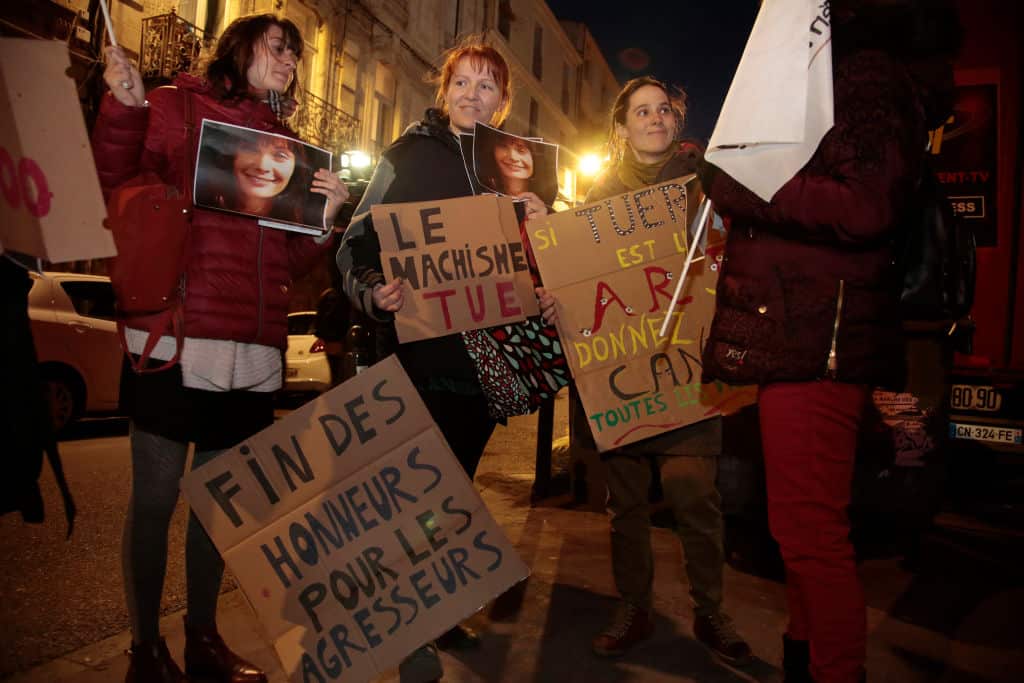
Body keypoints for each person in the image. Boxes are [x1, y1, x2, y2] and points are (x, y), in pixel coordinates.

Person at [697, 2, 961, 681]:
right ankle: (804, 654)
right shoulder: (830, 74)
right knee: (799, 528)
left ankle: (832, 668)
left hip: (820, 339)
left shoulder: (867, 78)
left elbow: (864, 205)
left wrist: (744, 185)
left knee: (811, 533)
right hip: (799, 335)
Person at [93, 13, 349, 683]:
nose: (290, 60)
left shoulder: (291, 146)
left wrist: (325, 214)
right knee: (154, 499)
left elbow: (292, 263)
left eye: (296, 54)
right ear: (239, 48)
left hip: (252, 352)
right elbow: (115, 172)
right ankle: (146, 650)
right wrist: (122, 108)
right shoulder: (177, 107)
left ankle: (203, 638)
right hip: (175, 339)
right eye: (278, 47)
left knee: (217, 506)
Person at [336, 35, 548, 683]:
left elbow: (545, 268)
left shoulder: (520, 170)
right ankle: (415, 628)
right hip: (419, 352)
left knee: (455, 489)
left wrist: (546, 226)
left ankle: (436, 607)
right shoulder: (406, 155)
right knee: (420, 489)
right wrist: (375, 291)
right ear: (444, 90)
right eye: (462, 81)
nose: (471, 94)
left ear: (503, 101)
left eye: (486, 85)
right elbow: (354, 243)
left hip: (487, 362)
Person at [537, 76, 751, 666]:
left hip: (686, 368)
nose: (654, 119)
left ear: (675, 123)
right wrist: (559, 299)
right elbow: (578, 282)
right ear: (622, 127)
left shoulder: (704, 186)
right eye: (642, 112)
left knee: (693, 494)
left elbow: (730, 256)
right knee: (625, 504)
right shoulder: (597, 197)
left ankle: (712, 612)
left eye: (663, 111)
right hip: (620, 374)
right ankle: (634, 607)